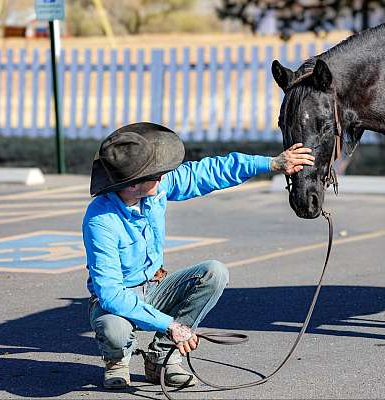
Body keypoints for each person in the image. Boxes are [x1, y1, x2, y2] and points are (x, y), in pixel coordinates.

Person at [83, 122, 314, 389]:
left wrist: (272, 164)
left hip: (156, 287)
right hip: (120, 296)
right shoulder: (100, 221)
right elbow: (111, 294)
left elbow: (208, 172)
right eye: (154, 174)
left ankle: (163, 357)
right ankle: (116, 361)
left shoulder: (155, 187)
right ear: (132, 186)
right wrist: (172, 325)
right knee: (114, 328)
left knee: (214, 272)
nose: (163, 176)